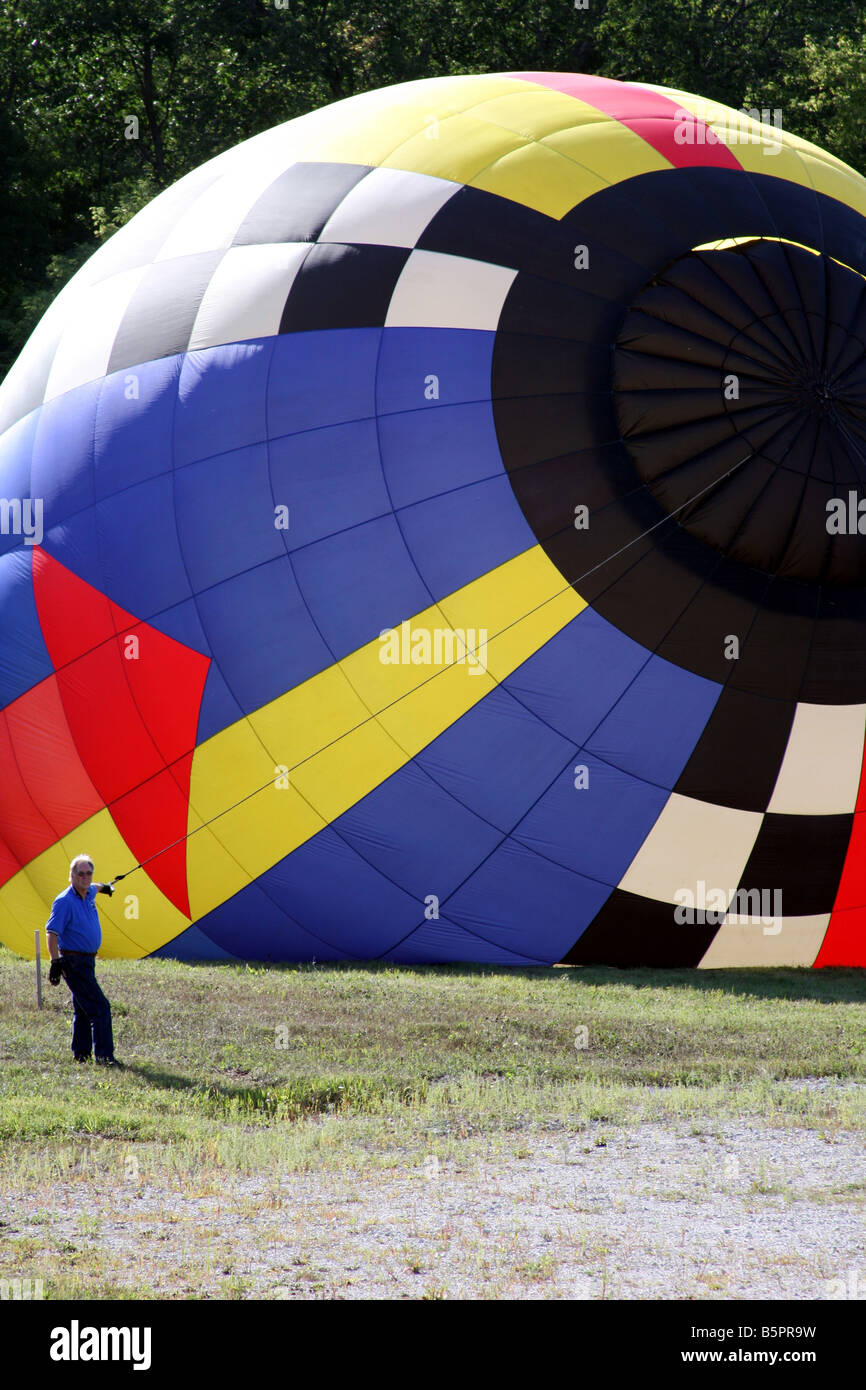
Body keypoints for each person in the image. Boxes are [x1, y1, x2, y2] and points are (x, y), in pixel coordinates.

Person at [45, 853, 118, 1066]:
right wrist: (55, 961)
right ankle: (105, 1057)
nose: (85, 877)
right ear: (71, 876)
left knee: (84, 1008)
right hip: (73, 962)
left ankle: (81, 1054)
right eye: (81, 874)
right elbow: (51, 932)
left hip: (87, 961)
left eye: (88, 873)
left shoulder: (89, 892)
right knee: (100, 1007)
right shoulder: (64, 901)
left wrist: (106, 887)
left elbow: (95, 886)